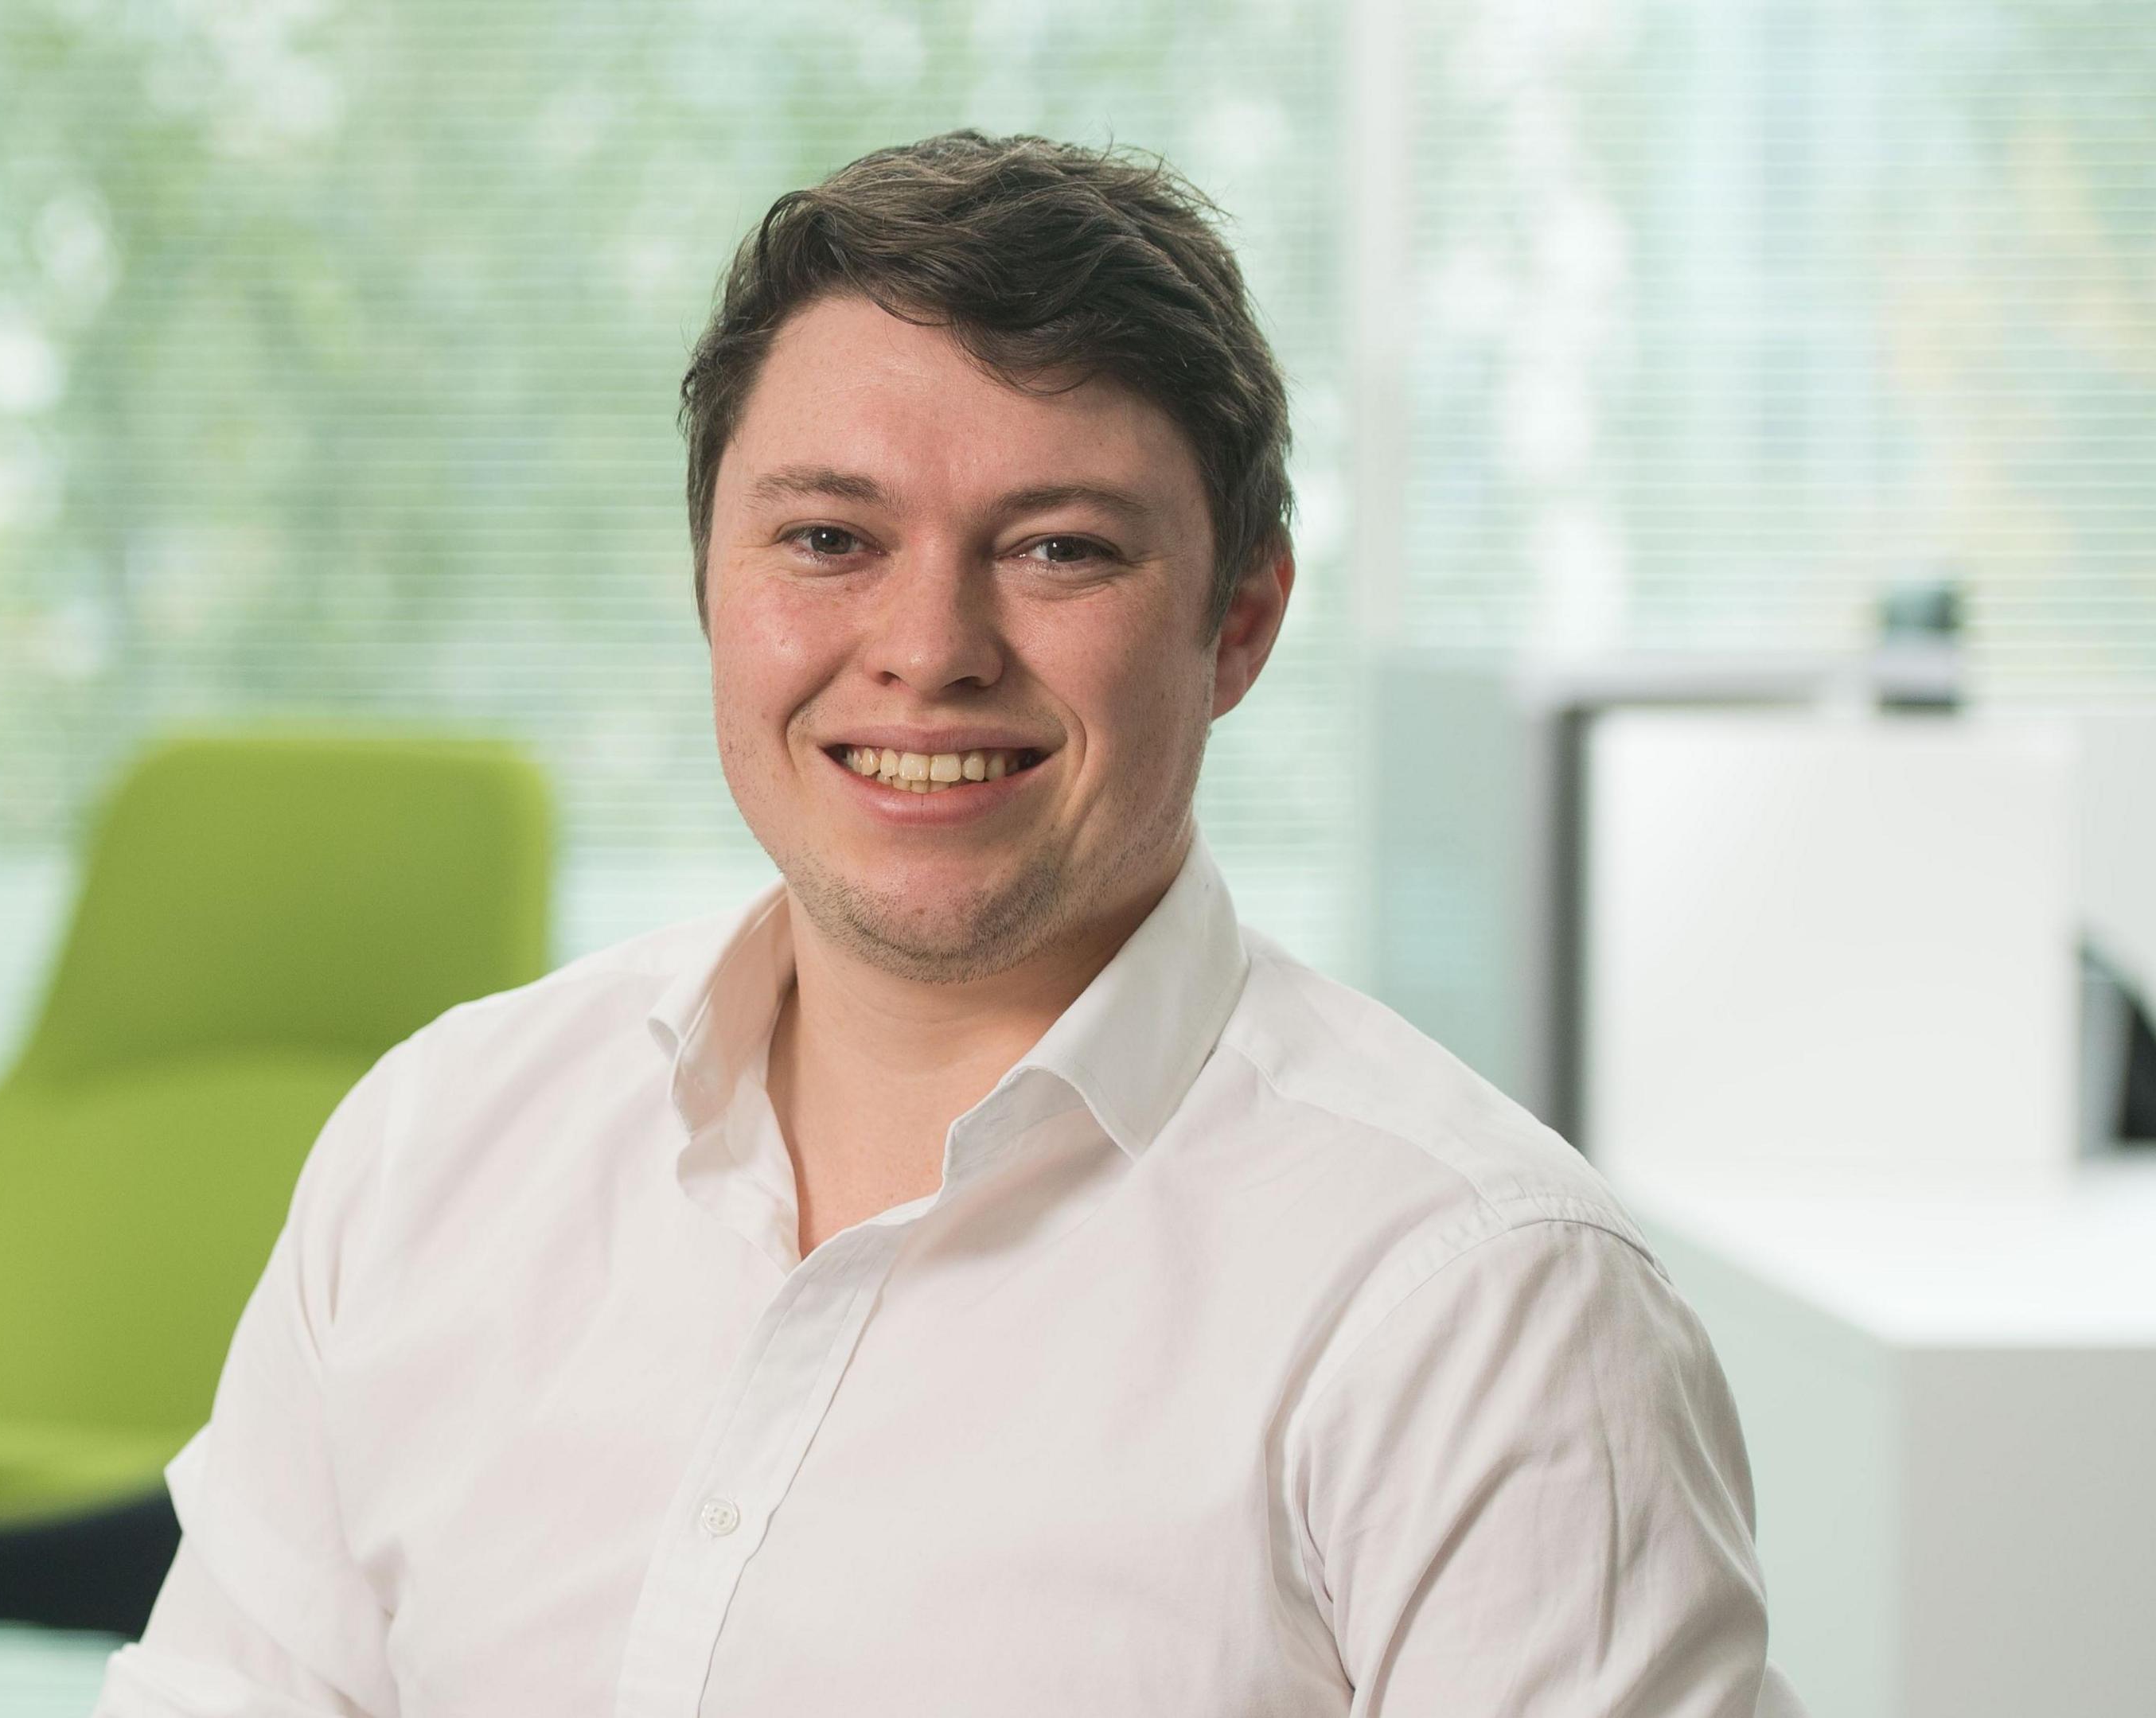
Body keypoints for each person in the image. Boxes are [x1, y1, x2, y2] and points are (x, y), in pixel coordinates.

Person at [94, 131, 1803, 1717]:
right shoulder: (436, 1147)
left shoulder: (1483, 1305)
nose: (929, 647)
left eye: (1059, 551)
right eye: (830, 537)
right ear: (710, 581)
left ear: (1242, 624)